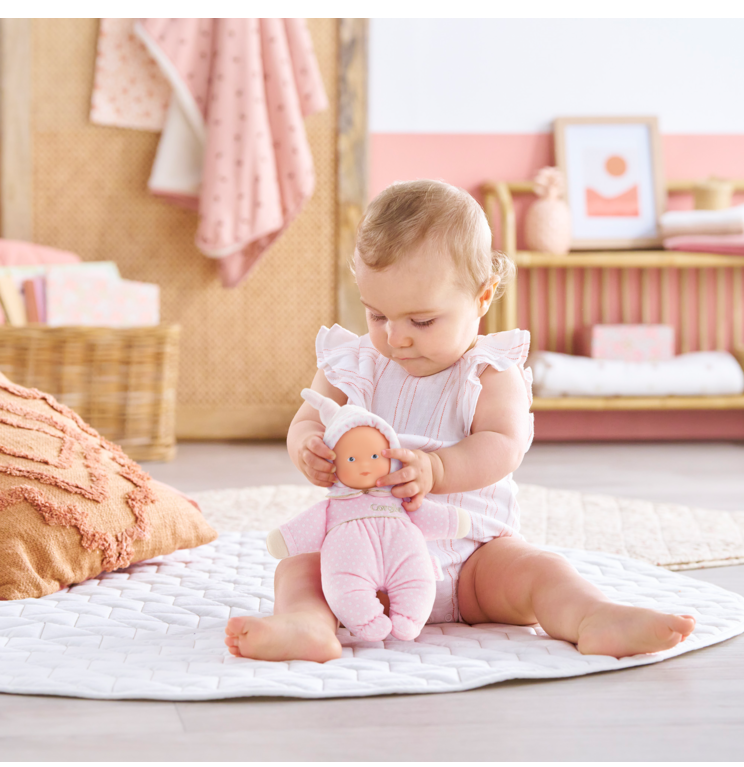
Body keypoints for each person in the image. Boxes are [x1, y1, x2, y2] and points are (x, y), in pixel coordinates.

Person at [225, 179, 696, 662]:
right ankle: (306, 625)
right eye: (377, 315)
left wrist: (439, 470)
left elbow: (503, 443)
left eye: (421, 321)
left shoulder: (489, 371)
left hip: (472, 559)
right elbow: (307, 419)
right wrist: (309, 447)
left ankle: (594, 616)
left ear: (483, 296)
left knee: (540, 570)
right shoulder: (354, 362)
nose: (396, 338)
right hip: (365, 563)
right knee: (299, 569)